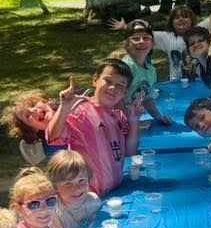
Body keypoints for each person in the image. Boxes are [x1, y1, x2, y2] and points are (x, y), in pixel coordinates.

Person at [109, 0, 211, 80]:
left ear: (192, 20)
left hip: (201, 80)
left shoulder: (199, 30)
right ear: (172, 21)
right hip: (177, 82)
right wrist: (125, 26)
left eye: (185, 16)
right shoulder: (166, 37)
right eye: (177, 17)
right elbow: (143, 34)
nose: (181, 19)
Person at [46, 63, 141, 197]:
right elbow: (53, 137)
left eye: (120, 85)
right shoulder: (81, 111)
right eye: (107, 81)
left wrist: (134, 121)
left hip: (116, 192)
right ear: (95, 80)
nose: (113, 88)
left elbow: (130, 151)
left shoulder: (118, 117)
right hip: (87, 198)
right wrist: (64, 108)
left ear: (125, 92)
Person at [46, 150, 101, 228]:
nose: (77, 188)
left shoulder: (93, 200)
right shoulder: (55, 215)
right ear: (54, 187)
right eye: (68, 183)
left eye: (81, 180)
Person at [121, 21, 172, 125]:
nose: (141, 41)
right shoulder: (126, 67)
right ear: (127, 44)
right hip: (117, 122)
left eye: (146, 38)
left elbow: (147, 99)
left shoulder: (151, 71)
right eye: (135, 38)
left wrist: (159, 117)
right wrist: (130, 123)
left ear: (152, 43)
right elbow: (115, 101)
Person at [0, 89, 69, 158]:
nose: (34, 110)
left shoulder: (69, 108)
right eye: (27, 115)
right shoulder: (55, 150)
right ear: (33, 129)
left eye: (33, 105)